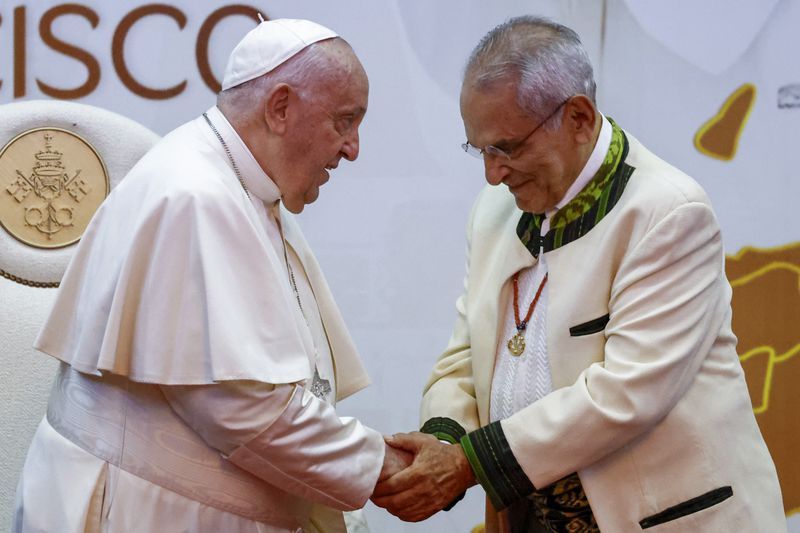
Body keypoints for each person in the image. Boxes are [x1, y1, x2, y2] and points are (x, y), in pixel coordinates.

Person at [372, 16, 786, 532]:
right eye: (480, 150)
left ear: (579, 117)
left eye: (508, 147)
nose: (492, 174)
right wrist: (444, 439)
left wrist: (468, 464)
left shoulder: (669, 213)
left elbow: (626, 394)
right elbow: (465, 355)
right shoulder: (492, 212)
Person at [14, 18, 409, 533]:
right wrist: (385, 468)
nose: (353, 147)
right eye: (344, 120)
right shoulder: (194, 195)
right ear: (281, 107)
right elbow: (241, 409)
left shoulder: (243, 189)